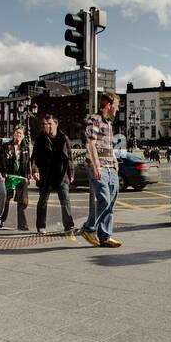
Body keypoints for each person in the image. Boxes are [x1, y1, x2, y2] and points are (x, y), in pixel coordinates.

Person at [81, 92, 125, 248]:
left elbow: (109, 145)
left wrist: (114, 160)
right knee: (104, 199)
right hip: (99, 167)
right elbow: (90, 144)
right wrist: (96, 165)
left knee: (111, 201)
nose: (118, 109)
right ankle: (88, 229)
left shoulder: (109, 123)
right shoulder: (95, 119)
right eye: (117, 106)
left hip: (110, 167)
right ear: (109, 105)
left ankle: (105, 236)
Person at [30, 113, 75, 237]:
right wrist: (35, 170)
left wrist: (71, 173)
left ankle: (69, 226)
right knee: (43, 201)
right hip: (46, 174)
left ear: (56, 124)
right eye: (45, 124)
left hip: (61, 174)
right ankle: (41, 226)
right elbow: (34, 157)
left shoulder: (63, 138)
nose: (47, 126)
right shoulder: (40, 139)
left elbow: (70, 157)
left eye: (50, 124)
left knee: (65, 200)